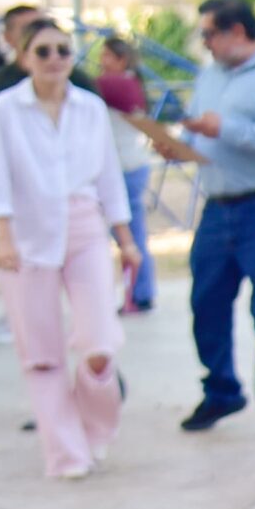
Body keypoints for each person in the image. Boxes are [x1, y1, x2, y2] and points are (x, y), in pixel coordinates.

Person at [133, 0, 255, 441]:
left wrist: (226, 130)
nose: (205, 44)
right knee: (206, 305)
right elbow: (204, 130)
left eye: (208, 34)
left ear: (237, 31)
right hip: (218, 206)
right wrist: (179, 146)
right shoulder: (211, 75)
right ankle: (221, 390)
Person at [0, 19, 140, 481]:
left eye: (63, 51)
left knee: (99, 343)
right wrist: (4, 237)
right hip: (27, 235)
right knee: (42, 353)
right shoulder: (6, 108)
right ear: (24, 58)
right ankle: (67, 454)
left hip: (85, 226)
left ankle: (95, 429)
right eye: (43, 51)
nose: (54, 60)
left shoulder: (90, 108)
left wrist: (126, 240)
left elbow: (109, 176)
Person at [94, 37, 158, 315]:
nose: (102, 61)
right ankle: (139, 292)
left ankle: (138, 292)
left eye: (107, 55)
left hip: (124, 167)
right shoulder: (130, 83)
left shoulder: (115, 84)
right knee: (132, 233)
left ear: (122, 59)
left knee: (129, 235)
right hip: (130, 164)